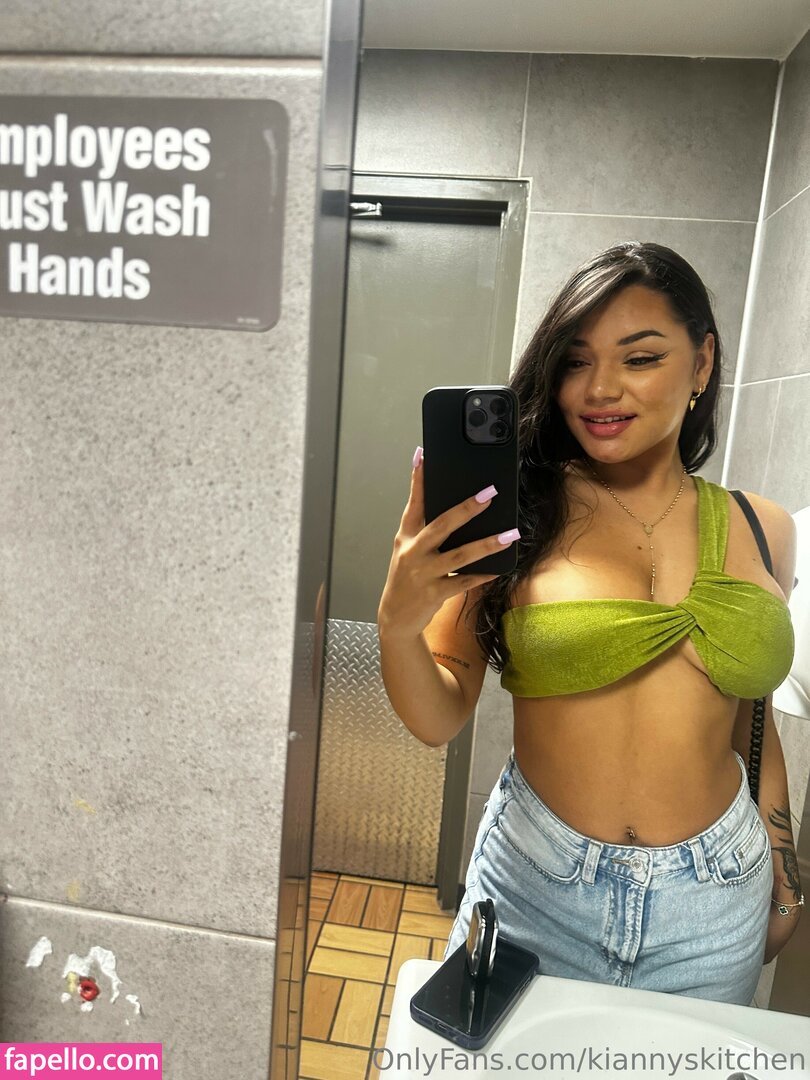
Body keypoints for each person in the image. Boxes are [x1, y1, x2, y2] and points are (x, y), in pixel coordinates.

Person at [377, 242, 804, 1005]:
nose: (600, 388)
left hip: (716, 901)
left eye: (640, 357)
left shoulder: (763, 526)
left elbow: (753, 716)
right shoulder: (513, 511)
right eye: (576, 361)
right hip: (534, 892)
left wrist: (784, 863)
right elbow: (438, 716)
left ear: (702, 363)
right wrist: (397, 626)